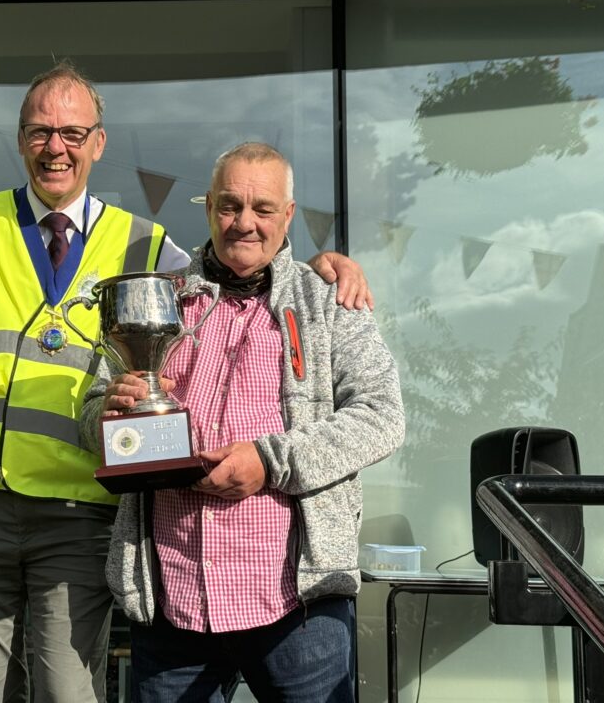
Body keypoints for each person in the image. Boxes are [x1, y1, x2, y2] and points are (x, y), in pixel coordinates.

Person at [0, 63, 372, 703]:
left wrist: (317, 269)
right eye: (39, 132)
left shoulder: (147, 246)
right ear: (19, 137)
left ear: (98, 142)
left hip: (79, 507)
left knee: (69, 691)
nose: (55, 148)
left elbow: (237, 262)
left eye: (71, 132)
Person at [83, 142, 405, 702]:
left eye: (262, 209)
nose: (245, 224)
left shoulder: (329, 300)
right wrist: (108, 413)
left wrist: (268, 461)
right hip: (174, 601)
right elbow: (90, 414)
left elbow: (381, 415)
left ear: (288, 215)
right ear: (208, 208)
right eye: (230, 206)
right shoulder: (160, 298)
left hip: (297, 605)